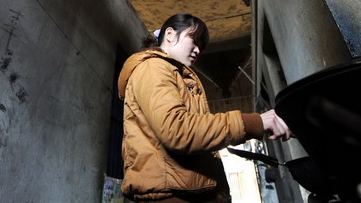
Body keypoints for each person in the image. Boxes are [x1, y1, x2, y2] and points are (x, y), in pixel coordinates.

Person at [117, 13, 293, 202]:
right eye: (194, 41)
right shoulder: (153, 68)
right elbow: (178, 131)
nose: (197, 50)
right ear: (169, 34)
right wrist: (253, 122)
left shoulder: (176, 74)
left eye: (201, 46)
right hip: (172, 195)